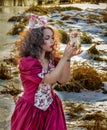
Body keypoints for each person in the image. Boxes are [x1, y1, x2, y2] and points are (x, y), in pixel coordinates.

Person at [11, 14, 82, 130]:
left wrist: (68, 58)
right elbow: (49, 79)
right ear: (37, 40)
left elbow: (62, 80)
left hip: (52, 108)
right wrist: (64, 57)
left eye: (52, 37)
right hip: (31, 111)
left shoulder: (52, 59)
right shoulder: (27, 62)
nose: (52, 41)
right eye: (47, 38)